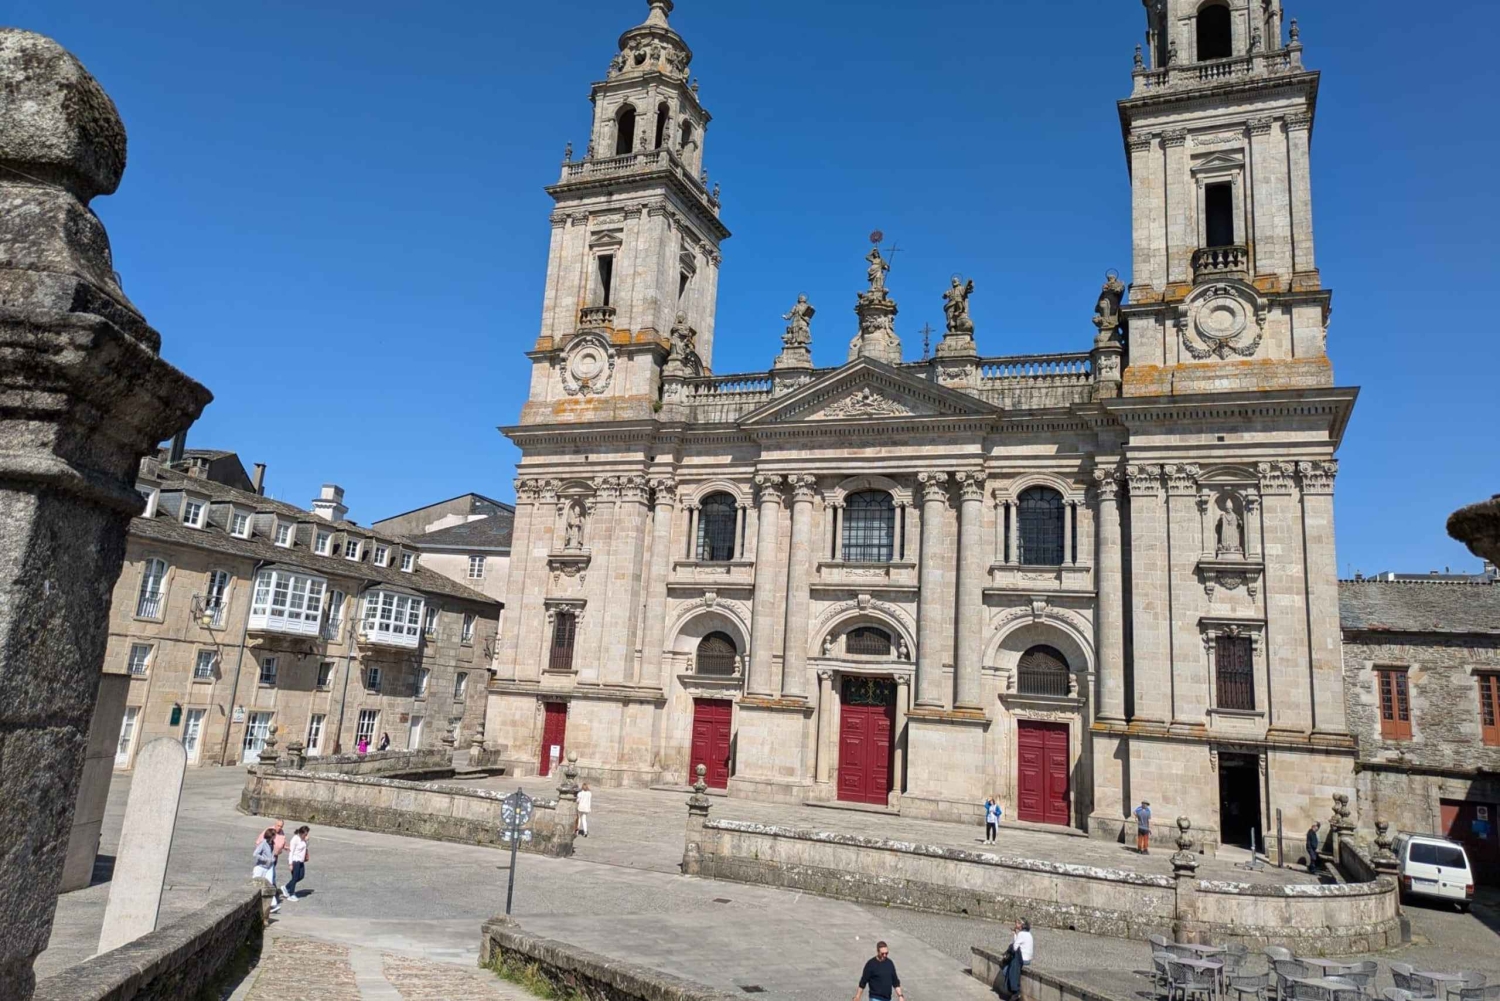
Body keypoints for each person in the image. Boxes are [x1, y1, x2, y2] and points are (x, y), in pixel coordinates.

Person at [1001, 919, 1034, 1000]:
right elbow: (1017, 944)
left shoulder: (1021, 934)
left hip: (1021, 959)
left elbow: (1015, 947)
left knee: (1007, 967)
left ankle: (1014, 992)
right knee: (1008, 967)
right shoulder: (1028, 934)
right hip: (1027, 959)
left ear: (1021, 925)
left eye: (1017, 923)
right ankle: (1013, 992)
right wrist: (1015, 934)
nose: (1015, 924)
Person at [252, 828, 281, 914]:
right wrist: (265, 859)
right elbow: (255, 854)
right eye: (274, 835)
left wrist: (273, 859)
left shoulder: (273, 843)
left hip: (269, 867)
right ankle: (254, 904)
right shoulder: (263, 844)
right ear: (271, 836)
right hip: (260, 867)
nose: (275, 837)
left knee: (269, 885)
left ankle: (273, 904)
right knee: (256, 885)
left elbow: (272, 854)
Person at [283, 826, 310, 901]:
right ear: (301, 833)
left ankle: (286, 887)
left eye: (307, 834)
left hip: (301, 861)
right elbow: (291, 852)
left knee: (301, 876)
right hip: (295, 860)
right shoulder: (295, 839)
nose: (306, 835)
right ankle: (291, 894)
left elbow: (305, 847)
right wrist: (290, 864)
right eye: (305, 834)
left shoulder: (303, 839)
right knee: (295, 878)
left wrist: (306, 841)